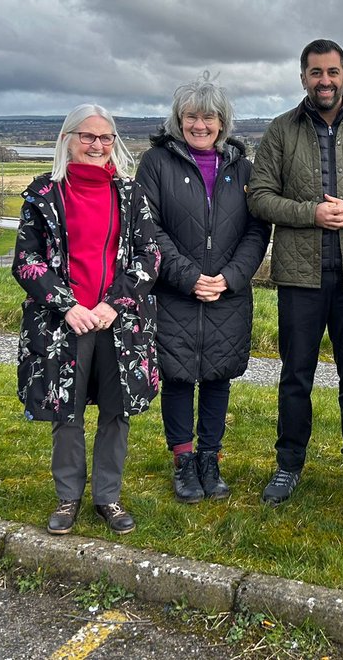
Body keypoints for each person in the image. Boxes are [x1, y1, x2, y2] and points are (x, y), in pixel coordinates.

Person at [247, 38, 343, 505]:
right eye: (316, 73)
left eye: (332, 72)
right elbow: (259, 195)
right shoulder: (280, 131)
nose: (325, 81)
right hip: (299, 277)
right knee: (296, 375)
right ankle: (288, 463)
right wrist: (309, 213)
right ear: (303, 78)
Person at [13, 103, 162, 536]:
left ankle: (108, 498)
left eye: (105, 137)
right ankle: (67, 496)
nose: (97, 145)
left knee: (116, 413)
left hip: (119, 323)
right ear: (68, 140)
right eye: (87, 136)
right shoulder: (43, 195)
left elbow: (149, 256)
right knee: (67, 410)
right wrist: (68, 306)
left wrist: (113, 304)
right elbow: (27, 260)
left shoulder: (131, 194)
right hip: (65, 324)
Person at [136, 79, 270, 503]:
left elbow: (256, 229)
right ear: (179, 120)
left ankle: (210, 460)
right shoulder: (156, 163)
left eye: (209, 116)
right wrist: (187, 276)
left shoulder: (242, 168)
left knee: (217, 376)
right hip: (175, 291)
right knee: (177, 376)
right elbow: (149, 227)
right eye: (191, 116)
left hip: (227, 294)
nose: (200, 124)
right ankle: (184, 461)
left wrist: (230, 277)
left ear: (222, 122)